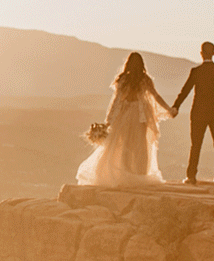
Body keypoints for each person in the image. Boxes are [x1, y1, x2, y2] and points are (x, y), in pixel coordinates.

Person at [75, 52, 177, 188]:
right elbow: (156, 96)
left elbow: (116, 101)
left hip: (125, 115)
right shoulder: (145, 79)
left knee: (124, 146)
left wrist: (109, 120)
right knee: (141, 146)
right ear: (142, 64)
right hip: (140, 117)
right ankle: (140, 175)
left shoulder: (123, 79)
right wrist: (169, 109)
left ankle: (126, 174)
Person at [172, 41, 214, 184]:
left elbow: (185, 91)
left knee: (196, 145)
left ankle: (191, 176)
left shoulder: (196, 72)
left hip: (198, 113)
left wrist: (176, 106)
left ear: (201, 53)